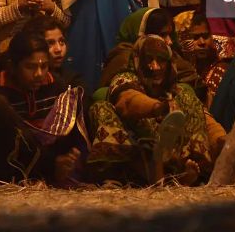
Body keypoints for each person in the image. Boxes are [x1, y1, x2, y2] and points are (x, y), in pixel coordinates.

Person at [88, 35, 226, 185]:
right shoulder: (124, 78)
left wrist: (225, 143)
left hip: (175, 157)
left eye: (160, 60)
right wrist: (158, 108)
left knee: (187, 98)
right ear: (138, 60)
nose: (155, 67)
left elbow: (207, 120)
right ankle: (121, 178)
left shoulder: (177, 91)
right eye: (149, 60)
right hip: (136, 156)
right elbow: (127, 101)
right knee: (100, 109)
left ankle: (183, 174)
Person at [0, 30, 86, 186]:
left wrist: (71, 153)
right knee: (0, 106)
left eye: (44, 66)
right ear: (12, 66)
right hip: (12, 168)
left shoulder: (56, 86)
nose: (39, 74)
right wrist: (51, 163)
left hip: (51, 159)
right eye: (30, 67)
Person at [174, 10, 227, 108]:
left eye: (206, 36)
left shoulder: (220, 70)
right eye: (195, 37)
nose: (202, 42)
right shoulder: (174, 71)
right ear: (181, 39)